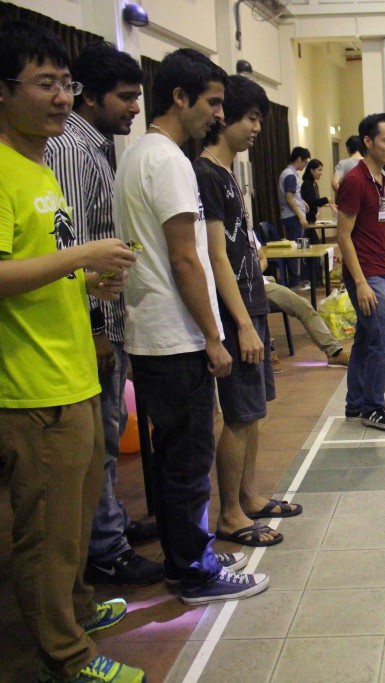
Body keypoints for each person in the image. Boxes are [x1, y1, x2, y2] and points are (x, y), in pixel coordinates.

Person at [0, 20, 145, 683]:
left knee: (79, 513)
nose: (62, 97)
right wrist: (82, 254)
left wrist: (86, 278)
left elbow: (37, 264)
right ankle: (63, 653)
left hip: (73, 371)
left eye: (66, 83)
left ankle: (77, 609)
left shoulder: (37, 167)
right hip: (32, 386)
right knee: (47, 533)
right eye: (45, 83)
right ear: (3, 92)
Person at [113, 47, 269, 604]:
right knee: (186, 462)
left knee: (178, 460)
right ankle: (195, 573)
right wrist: (213, 335)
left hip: (155, 333)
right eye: (212, 103)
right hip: (174, 337)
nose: (219, 116)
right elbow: (185, 259)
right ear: (179, 98)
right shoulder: (170, 162)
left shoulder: (138, 154)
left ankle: (191, 553)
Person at [44, 41, 164, 587]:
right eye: (125, 98)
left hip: (99, 312)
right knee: (99, 447)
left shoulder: (94, 147)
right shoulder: (70, 150)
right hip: (83, 320)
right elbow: (68, 248)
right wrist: (95, 326)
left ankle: (108, 528)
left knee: (108, 438)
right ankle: (104, 550)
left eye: (138, 98)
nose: (134, 109)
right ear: (88, 96)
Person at [196, 74, 303, 548]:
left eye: (262, 118)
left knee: (253, 412)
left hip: (252, 299)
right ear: (224, 117)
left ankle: (251, 497)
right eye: (252, 117)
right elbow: (215, 255)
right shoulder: (204, 173)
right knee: (239, 414)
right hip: (234, 310)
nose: (258, 127)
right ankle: (230, 515)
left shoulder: (228, 172)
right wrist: (240, 324)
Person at [336, 112, 385, 431]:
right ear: (368, 142)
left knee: (367, 341)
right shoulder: (354, 181)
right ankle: (372, 407)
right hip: (365, 275)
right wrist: (361, 283)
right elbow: (343, 235)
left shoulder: (384, 181)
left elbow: (378, 231)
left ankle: (355, 405)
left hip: (380, 270)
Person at [258, 244, 350, 366]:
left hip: (261, 282)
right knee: (253, 309)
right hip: (240, 288)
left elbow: (262, 258)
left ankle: (334, 353)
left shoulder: (247, 229)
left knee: (303, 306)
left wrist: (254, 273)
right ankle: (266, 349)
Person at [278, 145, 310, 287]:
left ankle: (299, 278)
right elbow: (289, 197)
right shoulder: (290, 174)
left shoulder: (289, 173)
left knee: (299, 248)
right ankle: (295, 281)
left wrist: (303, 202)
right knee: (296, 249)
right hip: (293, 217)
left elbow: (293, 195)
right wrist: (301, 216)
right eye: (305, 162)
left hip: (293, 216)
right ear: (298, 159)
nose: (305, 165)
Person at [300, 158, 335, 226]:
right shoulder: (307, 184)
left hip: (312, 219)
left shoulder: (314, 183)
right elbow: (312, 202)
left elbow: (316, 202)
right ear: (312, 170)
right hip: (307, 219)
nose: (321, 173)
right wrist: (326, 199)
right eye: (319, 170)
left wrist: (329, 204)